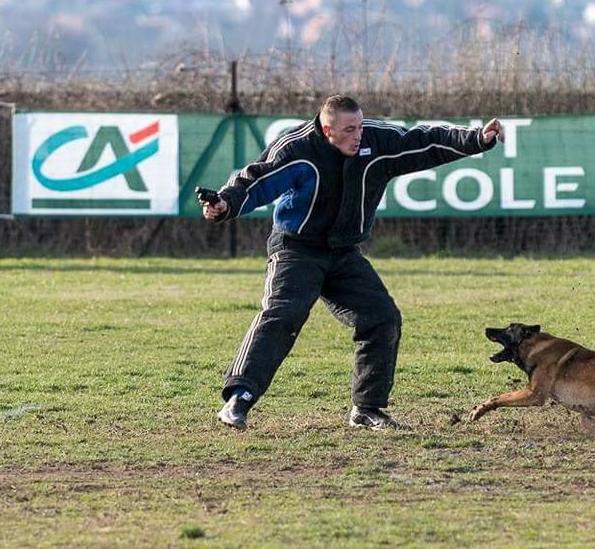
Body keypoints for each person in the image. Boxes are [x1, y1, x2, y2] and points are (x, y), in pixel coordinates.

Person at [202, 95, 504, 431]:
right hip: (296, 249)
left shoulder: (376, 142)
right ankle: (238, 399)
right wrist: (225, 204)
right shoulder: (297, 149)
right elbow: (256, 180)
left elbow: (423, 141)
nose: (358, 135)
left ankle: (367, 410)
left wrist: (476, 139)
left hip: (344, 253)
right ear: (327, 129)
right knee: (283, 315)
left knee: (382, 317)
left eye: (360, 126)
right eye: (349, 130)